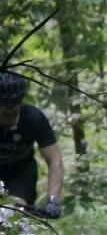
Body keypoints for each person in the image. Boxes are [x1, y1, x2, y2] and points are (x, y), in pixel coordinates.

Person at [0, 70, 64, 217]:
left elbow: (55, 160)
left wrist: (53, 200)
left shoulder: (33, 118)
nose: (10, 112)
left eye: (14, 107)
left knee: (16, 214)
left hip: (21, 173)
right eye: (4, 109)